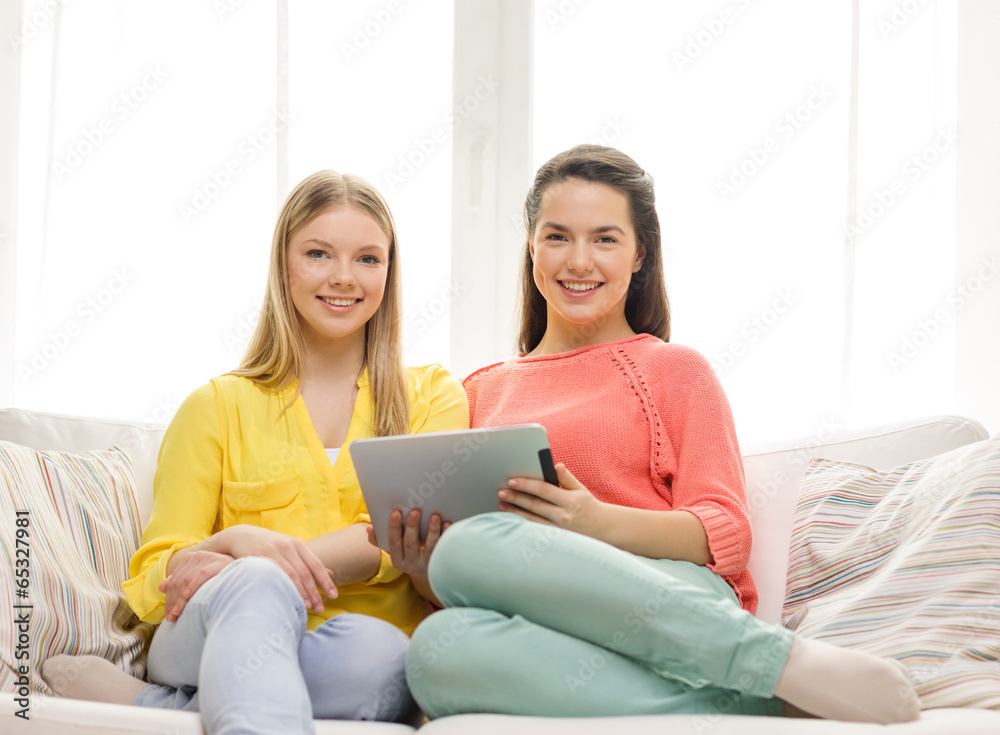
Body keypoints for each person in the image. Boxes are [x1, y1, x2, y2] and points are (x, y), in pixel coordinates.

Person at [390, 145, 921, 724]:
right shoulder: (478, 392)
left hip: (672, 594)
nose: (579, 260)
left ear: (641, 254)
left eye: (606, 239)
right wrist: (421, 565)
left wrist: (596, 524)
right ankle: (759, 698)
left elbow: (727, 533)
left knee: (474, 545)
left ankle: (764, 657)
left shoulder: (672, 370)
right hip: (551, 621)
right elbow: (483, 580)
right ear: (532, 247)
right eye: (557, 236)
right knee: (435, 652)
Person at [41, 170, 469, 734]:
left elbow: (398, 539)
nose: (344, 277)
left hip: (353, 643)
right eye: (318, 254)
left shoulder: (432, 395)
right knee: (259, 585)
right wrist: (240, 547)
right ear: (283, 265)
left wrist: (262, 553)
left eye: (368, 259)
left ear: (390, 273)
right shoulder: (216, 405)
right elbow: (157, 570)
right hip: (212, 624)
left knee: (386, 661)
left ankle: (153, 707)